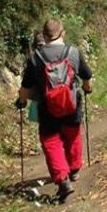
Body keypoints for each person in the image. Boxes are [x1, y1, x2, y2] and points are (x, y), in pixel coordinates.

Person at [16, 19, 93, 200]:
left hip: (47, 107)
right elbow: (87, 76)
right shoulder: (73, 52)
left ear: (44, 35)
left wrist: (21, 101)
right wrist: (87, 89)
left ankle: (62, 180)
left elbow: (26, 86)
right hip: (71, 104)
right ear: (62, 33)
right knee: (73, 135)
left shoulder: (35, 57)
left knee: (51, 142)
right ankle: (74, 169)